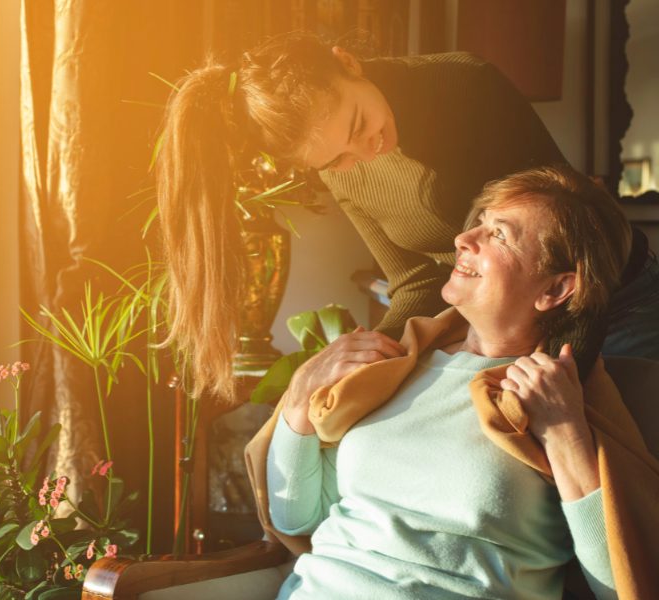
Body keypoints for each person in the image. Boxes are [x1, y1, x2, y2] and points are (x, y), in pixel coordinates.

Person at [154, 30, 658, 402]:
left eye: (359, 123)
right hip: (515, 322)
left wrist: (555, 384)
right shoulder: (342, 167)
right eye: (335, 159)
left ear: (348, 63)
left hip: (607, 294)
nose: (365, 150)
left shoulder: (463, 85)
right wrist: (367, 370)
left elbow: (570, 251)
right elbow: (415, 279)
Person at [265, 165, 629, 599]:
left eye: (499, 234)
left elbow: (621, 584)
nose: (463, 240)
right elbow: (297, 517)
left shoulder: (560, 400)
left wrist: (567, 436)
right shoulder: (398, 368)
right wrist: (299, 400)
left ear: (555, 289)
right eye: (478, 223)